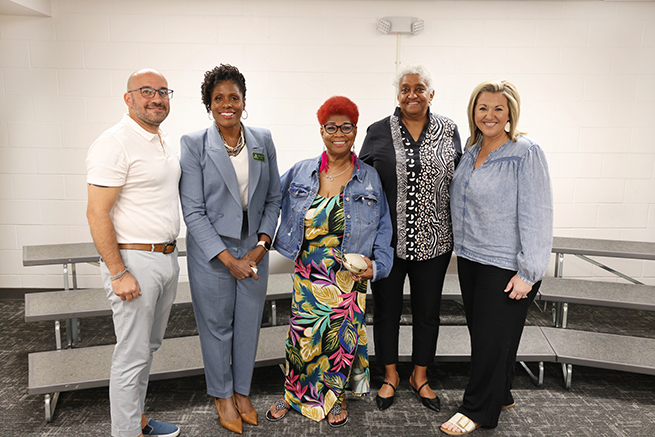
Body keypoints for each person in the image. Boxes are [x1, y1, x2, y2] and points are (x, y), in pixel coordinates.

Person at [266, 96, 394, 427]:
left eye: (346, 126)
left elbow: (383, 225)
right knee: (302, 337)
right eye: (331, 127)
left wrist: (377, 265)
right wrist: (259, 241)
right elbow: (269, 202)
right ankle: (294, 394)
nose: (339, 133)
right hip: (308, 271)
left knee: (340, 338)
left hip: (348, 275)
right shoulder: (301, 171)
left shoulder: (368, 177)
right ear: (321, 130)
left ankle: (334, 397)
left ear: (354, 130)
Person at [441, 80, 553, 435]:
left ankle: (477, 409)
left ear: (510, 114)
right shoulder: (472, 151)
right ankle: (500, 393)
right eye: (482, 108)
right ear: (473, 111)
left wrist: (529, 271)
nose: (489, 115)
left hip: (507, 264)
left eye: (498, 109)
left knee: (489, 341)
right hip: (472, 259)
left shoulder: (525, 152)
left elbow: (539, 213)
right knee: (490, 336)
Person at [179, 64, 281, 435]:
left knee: (249, 324)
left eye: (233, 97)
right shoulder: (194, 145)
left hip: (254, 247)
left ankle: (242, 391)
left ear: (243, 101)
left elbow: (274, 197)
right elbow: (192, 210)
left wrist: (261, 246)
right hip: (213, 252)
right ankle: (222, 395)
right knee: (217, 326)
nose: (227, 104)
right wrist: (228, 260)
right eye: (218, 98)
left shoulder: (261, 139)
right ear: (209, 104)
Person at [360, 64, 461, 412]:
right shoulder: (377, 131)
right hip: (387, 243)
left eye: (419, 88)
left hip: (434, 241)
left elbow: (459, 182)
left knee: (428, 311)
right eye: (405, 89)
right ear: (397, 94)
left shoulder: (449, 130)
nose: (412, 94)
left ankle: (420, 375)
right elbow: (361, 183)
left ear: (430, 94)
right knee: (386, 311)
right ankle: (390, 375)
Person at [86, 68, 181, 437]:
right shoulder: (115, 142)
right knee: (131, 355)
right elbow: (97, 212)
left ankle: (136, 421)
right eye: (146, 91)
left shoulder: (160, 140)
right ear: (128, 99)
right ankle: (125, 433)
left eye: (162, 91)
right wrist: (117, 271)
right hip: (133, 262)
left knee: (147, 349)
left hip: (166, 258)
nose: (156, 98)